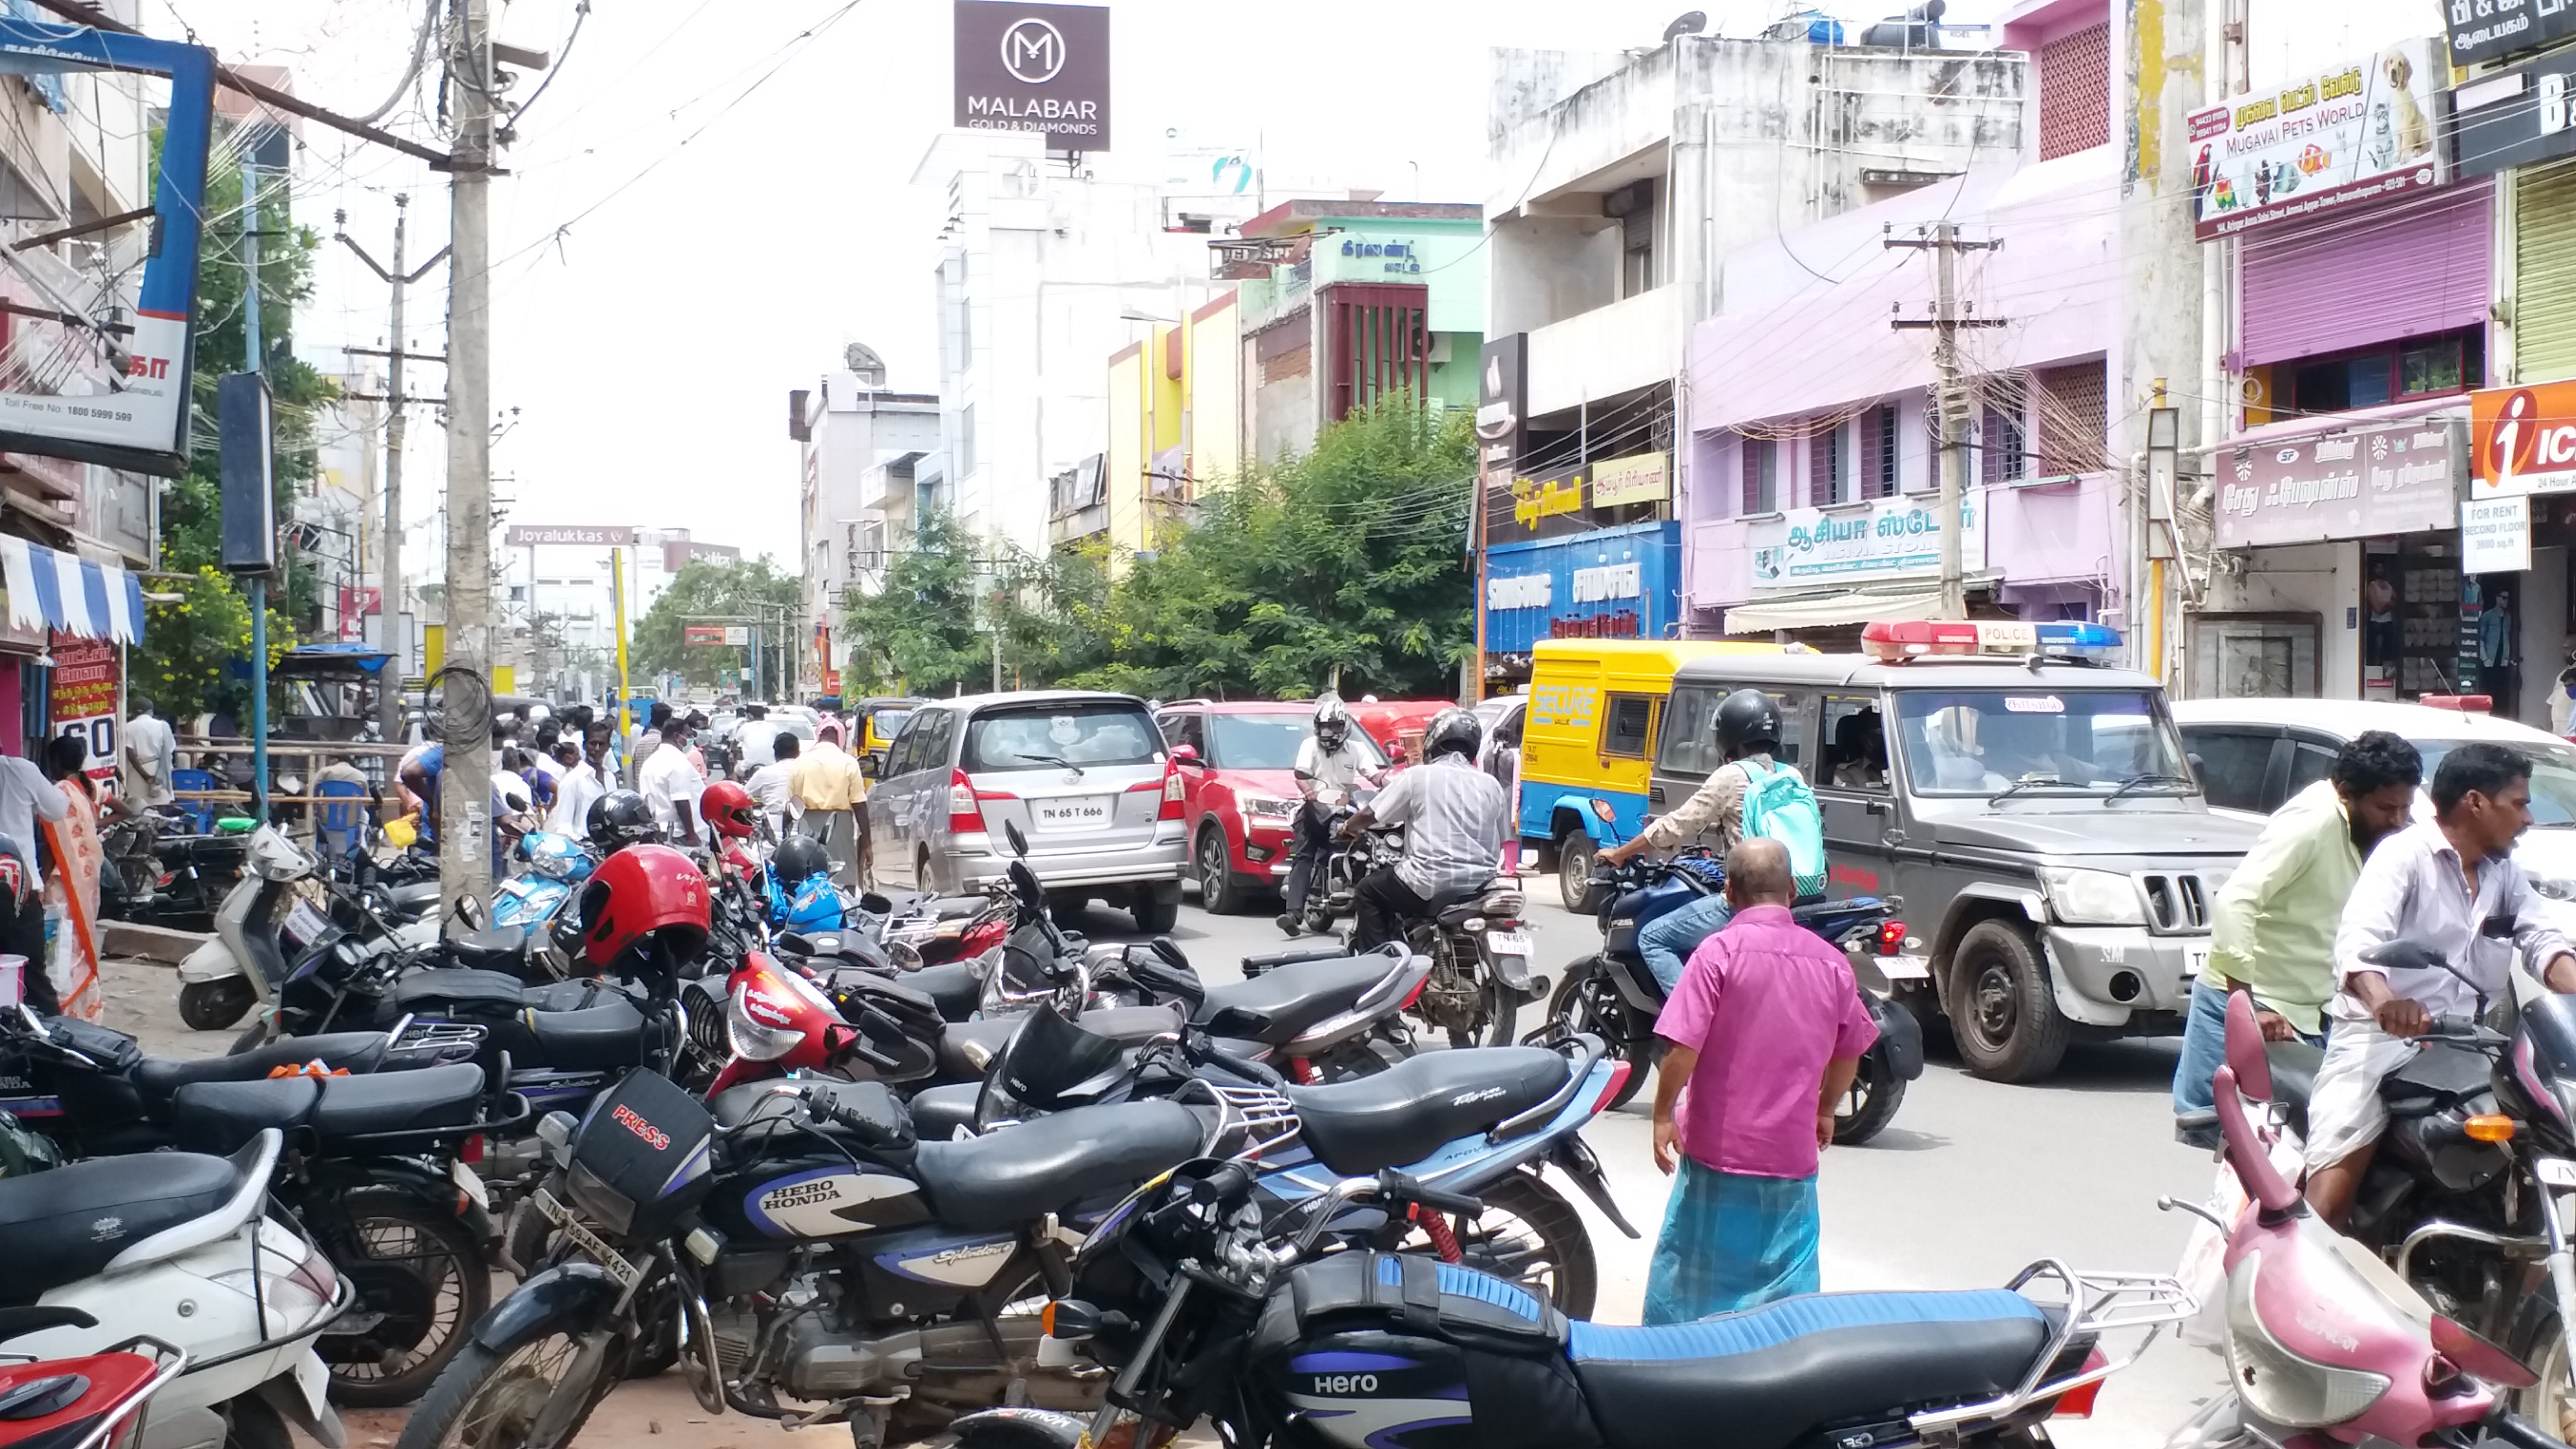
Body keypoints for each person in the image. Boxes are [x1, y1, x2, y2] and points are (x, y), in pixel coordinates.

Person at [2305, 743, 2576, 1227]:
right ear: (2475, 802)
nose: (2529, 818)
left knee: (2537, 1162)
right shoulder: (2402, 856)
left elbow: (2543, 942)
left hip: (2475, 1048)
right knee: (2328, 1203)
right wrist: (2386, 1001)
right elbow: (2360, 945)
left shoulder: (2504, 871)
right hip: (2383, 1043)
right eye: (2519, 803)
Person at [1645, 837, 1878, 1322]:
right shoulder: (1831, 962)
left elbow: (1682, 1049)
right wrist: (1825, 1109)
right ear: (1793, 890)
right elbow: (1849, 1050)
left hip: (1716, 1152)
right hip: (1790, 1159)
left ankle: (1679, 1370)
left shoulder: (1717, 953)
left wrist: (1663, 1114)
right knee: (1785, 1285)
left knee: (1691, 1281)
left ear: (1728, 893)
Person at [2170, 731, 2421, 1122]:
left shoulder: (2386, 831)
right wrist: (2248, 1007)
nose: (2398, 821)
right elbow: (2236, 901)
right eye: (2386, 808)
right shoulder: (2313, 821)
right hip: (2252, 1002)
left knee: (2302, 1137)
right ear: (2345, 793)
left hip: (2313, 1012)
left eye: (2405, 808)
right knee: (2228, 1132)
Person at [1600, 688, 1816, 993]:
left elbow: (1675, 827)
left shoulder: (1732, 776)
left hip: (1747, 903)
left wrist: (1622, 853)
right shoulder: (1792, 776)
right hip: (1800, 895)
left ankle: (1693, 1022)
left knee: (1652, 937)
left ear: (1727, 735)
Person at [1335, 707, 1508, 952]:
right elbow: (1502, 837)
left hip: (1428, 880)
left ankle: (1374, 969)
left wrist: (1346, 828)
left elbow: (1370, 814)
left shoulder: (1418, 776)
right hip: (1481, 884)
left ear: (1433, 741)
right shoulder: (1491, 784)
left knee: (1367, 891)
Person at [1280, 693, 1382, 936]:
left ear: (1344, 725)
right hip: (1315, 809)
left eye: (1333, 726)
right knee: (1304, 854)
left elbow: (1374, 775)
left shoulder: (1357, 749)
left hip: (1344, 811)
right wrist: (1309, 793)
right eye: (1324, 726)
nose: (1328, 731)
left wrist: (1391, 783)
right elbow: (1301, 775)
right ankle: (1293, 914)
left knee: (1369, 846)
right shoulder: (1309, 746)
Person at [0, 736, 68, 1012]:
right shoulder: (22, 770)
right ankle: (54, 1045)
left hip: (20, 886)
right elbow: (57, 809)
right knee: (33, 979)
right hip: (20, 889)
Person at [793, 721, 866, 882]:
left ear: (818, 736)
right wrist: (867, 843)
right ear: (841, 738)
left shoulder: (800, 762)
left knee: (809, 876)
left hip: (807, 824)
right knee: (843, 877)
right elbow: (859, 804)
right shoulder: (849, 762)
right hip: (840, 825)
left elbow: (791, 804)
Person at [636, 722, 705, 846]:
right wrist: (692, 837)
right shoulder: (678, 762)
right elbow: (681, 801)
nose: (690, 741)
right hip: (678, 835)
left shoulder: (651, 761)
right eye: (688, 736)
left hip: (657, 832)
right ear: (677, 736)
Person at [121, 698, 175, 807]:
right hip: (159, 768)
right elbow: (170, 749)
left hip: (137, 772)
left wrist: (146, 776)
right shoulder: (162, 726)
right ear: (151, 711)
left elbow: (130, 754)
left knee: (138, 807)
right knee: (160, 806)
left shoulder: (128, 727)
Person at [547, 739, 604, 840]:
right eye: (578, 754)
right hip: (580, 838)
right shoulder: (569, 780)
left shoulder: (582, 776)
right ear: (569, 758)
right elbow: (564, 822)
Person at [747, 731, 801, 837]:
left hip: (771, 836)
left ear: (775, 754)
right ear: (798, 754)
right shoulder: (806, 772)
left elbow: (743, 796)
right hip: (800, 833)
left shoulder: (764, 773)